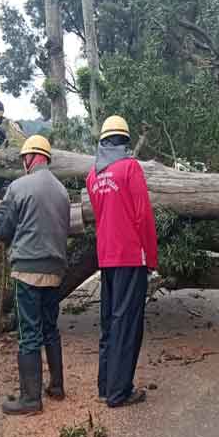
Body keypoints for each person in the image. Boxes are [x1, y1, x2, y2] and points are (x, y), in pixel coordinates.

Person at [0, 135, 70, 415]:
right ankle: (56, 385)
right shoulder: (62, 191)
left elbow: (1, 222)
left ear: (29, 158)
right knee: (50, 327)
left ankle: (30, 399)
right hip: (55, 271)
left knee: (28, 333)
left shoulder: (19, 186)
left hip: (27, 270)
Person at [86, 115, 158, 408]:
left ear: (103, 142)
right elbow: (143, 216)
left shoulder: (93, 175)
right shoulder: (130, 168)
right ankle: (120, 392)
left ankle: (106, 386)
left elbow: (99, 215)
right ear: (125, 142)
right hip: (130, 256)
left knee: (109, 322)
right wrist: (151, 258)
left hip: (107, 257)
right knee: (127, 323)